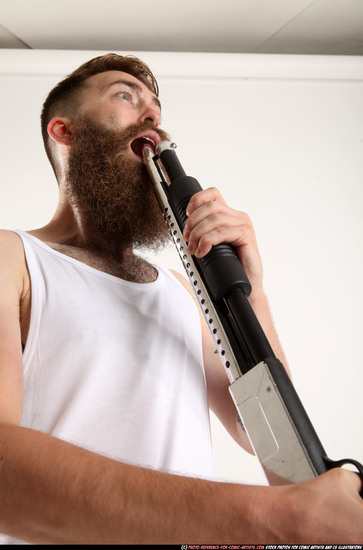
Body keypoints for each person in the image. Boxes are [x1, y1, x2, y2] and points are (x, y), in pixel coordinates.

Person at [0, 53, 361, 545]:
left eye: (156, 108)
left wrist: (252, 290)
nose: (151, 115)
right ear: (64, 132)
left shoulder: (179, 290)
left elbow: (263, 437)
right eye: (126, 96)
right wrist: (278, 516)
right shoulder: (13, 258)